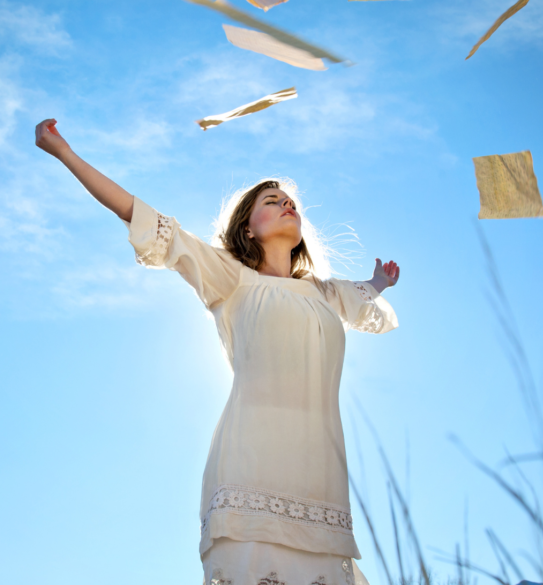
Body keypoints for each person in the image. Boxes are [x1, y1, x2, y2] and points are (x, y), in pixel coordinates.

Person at [35, 118, 400, 585]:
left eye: (289, 201)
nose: (286, 204)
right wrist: (65, 153)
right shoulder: (231, 277)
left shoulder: (328, 294)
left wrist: (380, 283)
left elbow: (365, 302)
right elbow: (138, 213)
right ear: (248, 229)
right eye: (271, 201)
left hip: (320, 481)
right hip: (250, 471)